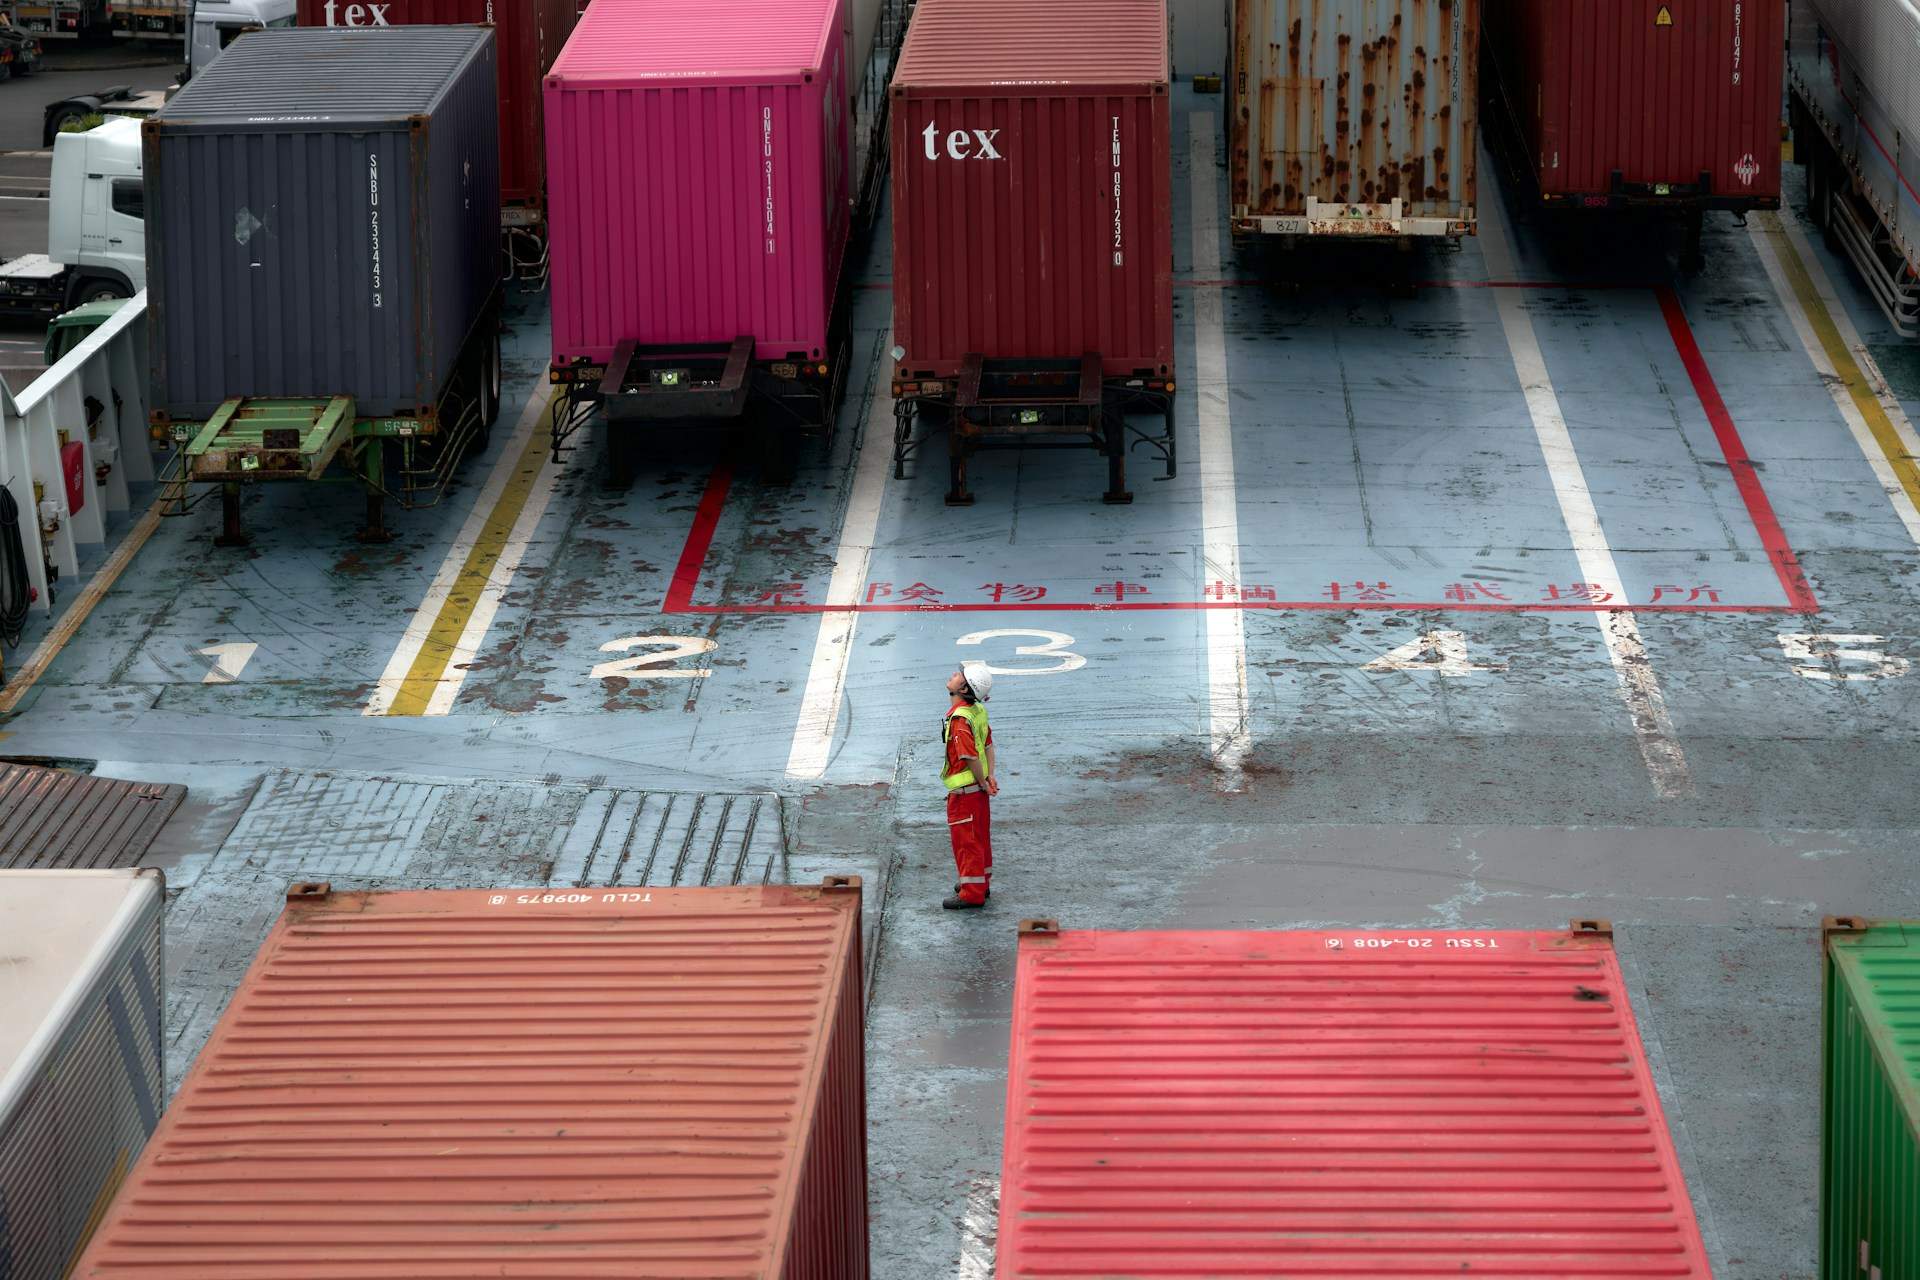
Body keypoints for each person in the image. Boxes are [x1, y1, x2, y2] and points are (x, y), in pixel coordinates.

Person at [941, 662, 997, 910]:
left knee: (967, 843)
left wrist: (983, 781)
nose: (955, 674)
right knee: (980, 838)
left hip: (965, 794)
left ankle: (972, 893)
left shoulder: (960, 721)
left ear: (964, 689)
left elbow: (971, 757)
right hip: (979, 793)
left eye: (960, 675)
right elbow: (988, 746)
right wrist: (989, 777)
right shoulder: (977, 711)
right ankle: (980, 882)